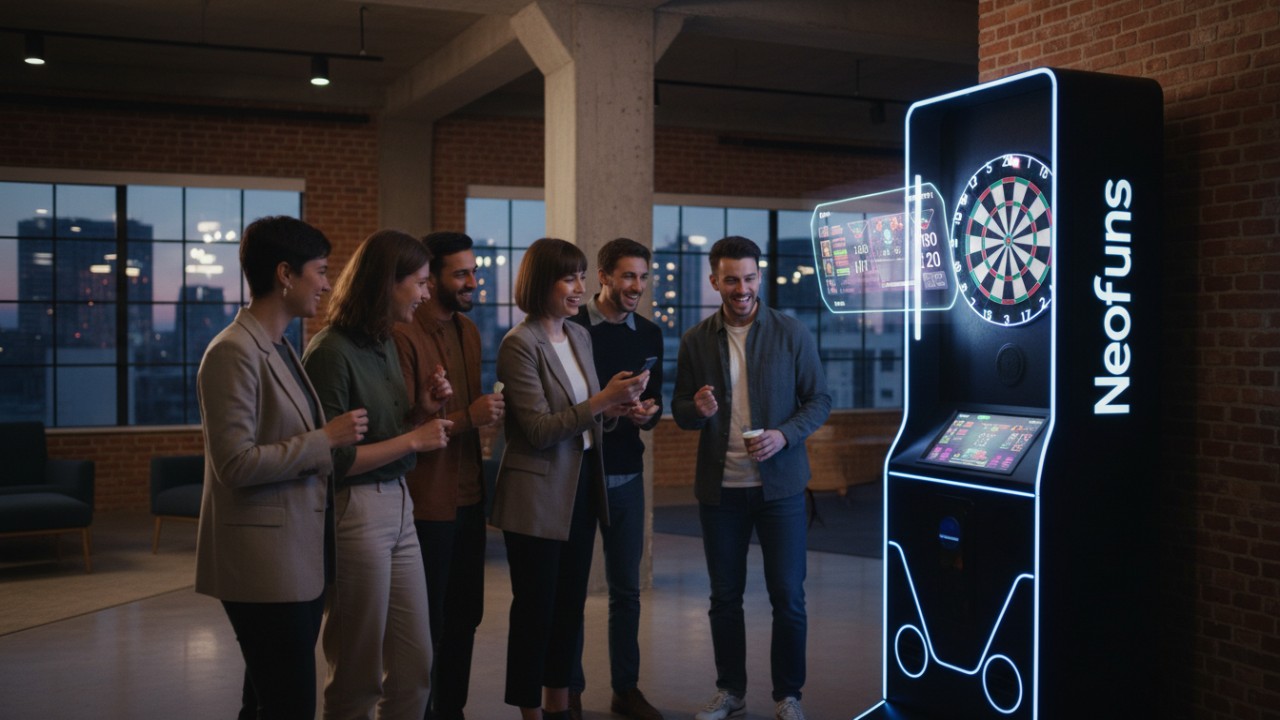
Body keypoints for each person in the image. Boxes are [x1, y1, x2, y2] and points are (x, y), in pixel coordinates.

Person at [195, 215, 369, 720]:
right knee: (289, 703)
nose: (327, 283)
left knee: (266, 701)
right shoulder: (231, 351)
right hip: (260, 565)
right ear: (285, 274)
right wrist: (324, 440)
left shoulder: (281, 345)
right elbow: (234, 464)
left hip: (294, 556)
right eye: (320, 270)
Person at [672, 236, 831, 720]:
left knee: (788, 595)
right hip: (720, 492)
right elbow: (680, 410)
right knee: (724, 597)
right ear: (715, 281)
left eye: (749, 278)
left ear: (759, 277)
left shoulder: (791, 332)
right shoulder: (695, 340)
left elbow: (819, 400)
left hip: (780, 488)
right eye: (731, 279)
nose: (741, 288)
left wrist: (784, 436)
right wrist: (695, 411)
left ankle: (789, 696)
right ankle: (731, 691)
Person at [490, 237, 649, 720]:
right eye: (569, 278)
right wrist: (602, 401)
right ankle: (530, 712)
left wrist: (618, 408)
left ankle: (559, 707)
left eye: (582, 276)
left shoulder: (578, 336)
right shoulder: (519, 344)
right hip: (536, 495)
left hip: (581, 487)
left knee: (569, 609)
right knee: (535, 611)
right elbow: (538, 429)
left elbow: (586, 417)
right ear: (542, 283)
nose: (579, 288)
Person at [302, 229, 453, 720]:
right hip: (356, 510)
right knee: (358, 668)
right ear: (389, 283)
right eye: (421, 282)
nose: (428, 292)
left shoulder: (385, 341)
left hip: (399, 502)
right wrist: (414, 440)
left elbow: (384, 432)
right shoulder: (330, 351)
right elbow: (336, 458)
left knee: (416, 665)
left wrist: (420, 412)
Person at [392, 231, 504, 720]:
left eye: (474, 272)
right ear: (430, 277)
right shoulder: (402, 333)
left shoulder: (469, 331)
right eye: (460, 273)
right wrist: (470, 418)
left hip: (469, 497)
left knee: (465, 617)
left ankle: (451, 711)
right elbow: (401, 424)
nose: (472, 282)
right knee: (426, 624)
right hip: (424, 502)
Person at [566, 238, 664, 720]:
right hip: (579, 476)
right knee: (573, 589)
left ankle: (625, 689)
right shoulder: (572, 329)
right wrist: (607, 405)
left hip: (627, 473)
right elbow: (565, 408)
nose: (637, 287)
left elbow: (657, 404)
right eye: (628, 276)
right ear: (604, 276)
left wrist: (646, 413)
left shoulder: (650, 333)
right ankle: (570, 690)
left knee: (627, 590)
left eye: (643, 277)